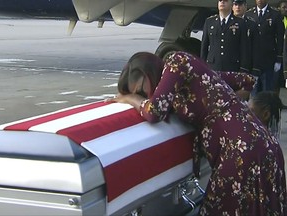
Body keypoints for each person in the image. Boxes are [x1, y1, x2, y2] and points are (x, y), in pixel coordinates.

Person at [108, 51, 287, 215]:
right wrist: (228, 107)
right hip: (262, 144)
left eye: (141, 89)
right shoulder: (197, 76)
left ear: (149, 72)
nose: (144, 94)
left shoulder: (175, 61)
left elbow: (155, 112)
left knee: (219, 208)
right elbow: (246, 80)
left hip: (241, 150)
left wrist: (132, 99)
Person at [245, 0, 285, 92]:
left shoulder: (275, 14)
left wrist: (279, 58)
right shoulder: (249, 14)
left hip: (268, 60)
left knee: (267, 92)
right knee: (254, 93)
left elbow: (279, 38)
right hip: (253, 61)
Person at [200, 0, 249, 72]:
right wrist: (202, 66)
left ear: (231, 4)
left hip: (232, 66)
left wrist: (243, 68)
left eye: (225, 0)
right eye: (220, 0)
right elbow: (204, 46)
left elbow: (244, 47)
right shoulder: (209, 22)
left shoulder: (240, 22)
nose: (222, 2)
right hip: (213, 66)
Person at [232, 0, 261, 75]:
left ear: (246, 7)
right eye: (235, 4)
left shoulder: (251, 24)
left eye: (240, 4)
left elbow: (256, 47)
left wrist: (255, 68)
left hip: (247, 65)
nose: (238, 7)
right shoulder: (226, 23)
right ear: (232, 7)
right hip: (230, 64)